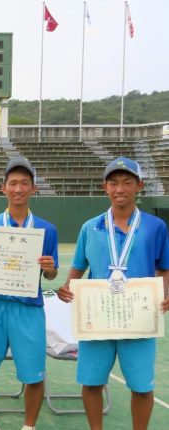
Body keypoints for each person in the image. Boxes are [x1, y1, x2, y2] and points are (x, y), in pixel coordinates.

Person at [57, 157, 169, 430]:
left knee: (142, 387)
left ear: (139, 186)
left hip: (139, 318)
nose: (120, 188)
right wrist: (67, 287)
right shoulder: (90, 227)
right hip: (98, 317)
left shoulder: (156, 227)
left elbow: (164, 267)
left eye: (127, 182)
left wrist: (166, 293)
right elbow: (79, 267)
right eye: (114, 183)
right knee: (92, 383)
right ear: (104, 187)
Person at [0, 157, 58, 430]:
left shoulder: (47, 230)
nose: (18, 188)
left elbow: (51, 275)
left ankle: (28, 427)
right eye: (13, 183)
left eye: (24, 183)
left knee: (33, 375)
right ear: (3, 187)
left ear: (33, 188)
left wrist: (51, 268)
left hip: (29, 308)